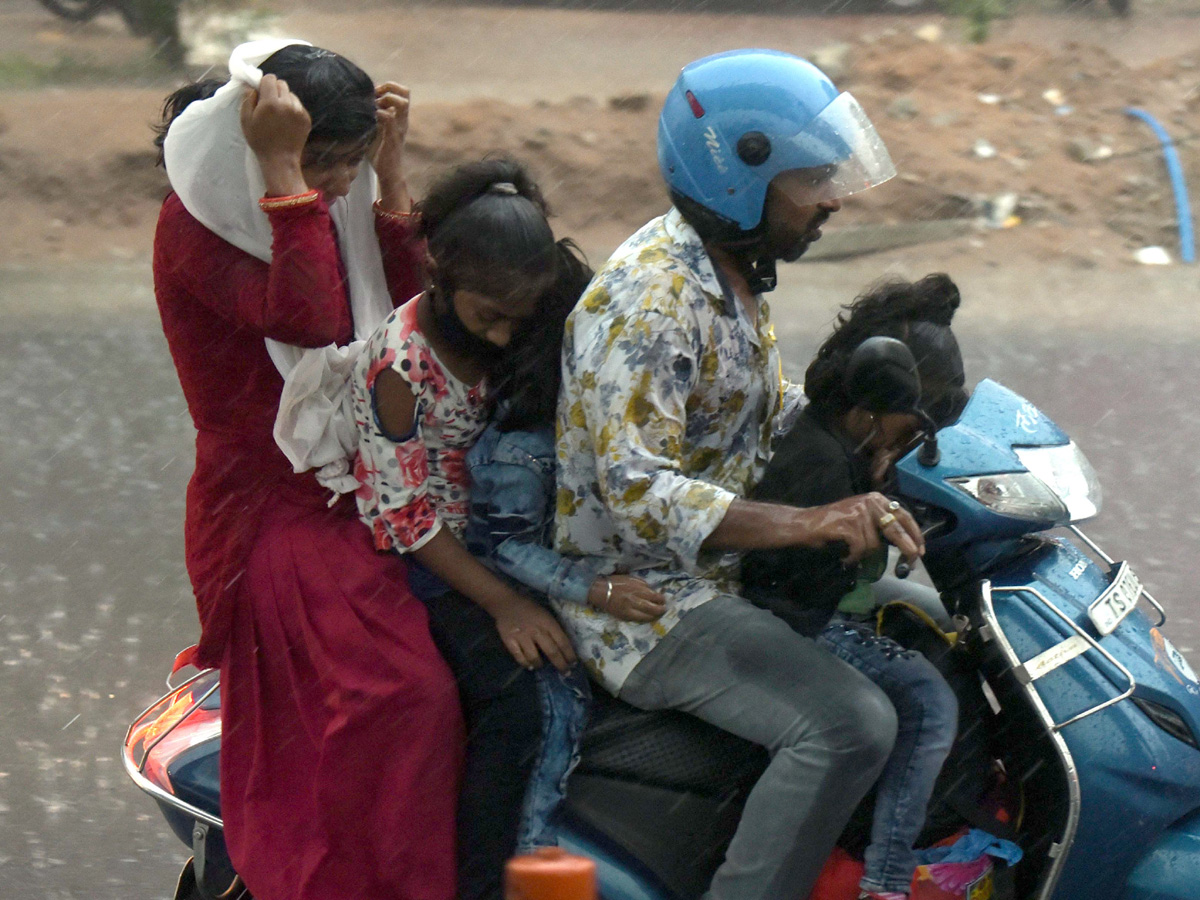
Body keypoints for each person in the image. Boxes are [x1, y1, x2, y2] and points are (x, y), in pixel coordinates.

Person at [555, 49, 920, 900]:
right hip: (643, 603)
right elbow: (641, 495)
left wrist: (876, 431)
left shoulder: (724, 273)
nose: (831, 198)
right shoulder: (652, 300)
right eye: (812, 178)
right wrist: (815, 520)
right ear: (739, 173)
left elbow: (756, 419)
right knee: (852, 724)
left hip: (706, 574)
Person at [152, 39, 463, 900]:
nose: (333, 188)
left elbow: (407, 312)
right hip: (269, 509)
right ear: (262, 146)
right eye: (321, 163)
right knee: (408, 696)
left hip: (368, 483)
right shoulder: (199, 222)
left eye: (345, 165)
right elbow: (312, 316)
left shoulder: (315, 206)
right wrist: (286, 169)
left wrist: (389, 178)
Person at [351, 158, 590, 900]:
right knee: (514, 702)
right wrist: (504, 604)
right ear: (440, 269)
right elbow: (406, 516)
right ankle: (481, 882)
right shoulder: (399, 367)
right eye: (490, 312)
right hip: (444, 558)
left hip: (514, 527)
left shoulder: (516, 319)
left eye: (520, 315)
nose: (504, 330)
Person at [744, 273, 969, 900]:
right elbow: (790, 581)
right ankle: (887, 881)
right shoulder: (817, 460)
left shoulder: (851, 445)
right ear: (874, 401)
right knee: (928, 704)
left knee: (944, 637)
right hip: (800, 618)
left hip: (829, 607)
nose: (911, 444)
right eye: (907, 428)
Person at [463, 239, 668, 852]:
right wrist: (598, 590)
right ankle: (525, 861)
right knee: (555, 717)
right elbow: (505, 546)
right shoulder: (523, 443)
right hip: (522, 593)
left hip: (571, 579)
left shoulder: (586, 414)